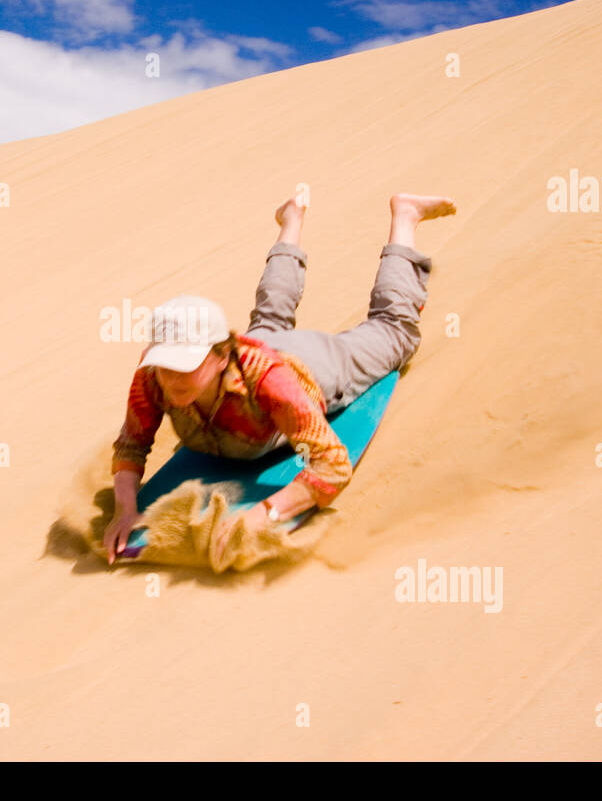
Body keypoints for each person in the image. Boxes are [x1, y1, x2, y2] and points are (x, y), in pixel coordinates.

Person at [105, 193, 457, 565]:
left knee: (395, 331)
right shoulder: (152, 378)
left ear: (222, 355)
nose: (172, 377)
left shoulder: (270, 380)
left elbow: (332, 463)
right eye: (165, 364)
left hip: (311, 364)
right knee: (268, 320)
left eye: (185, 364)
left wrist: (265, 513)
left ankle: (405, 216)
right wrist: (124, 510)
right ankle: (292, 219)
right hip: (258, 351)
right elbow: (131, 445)